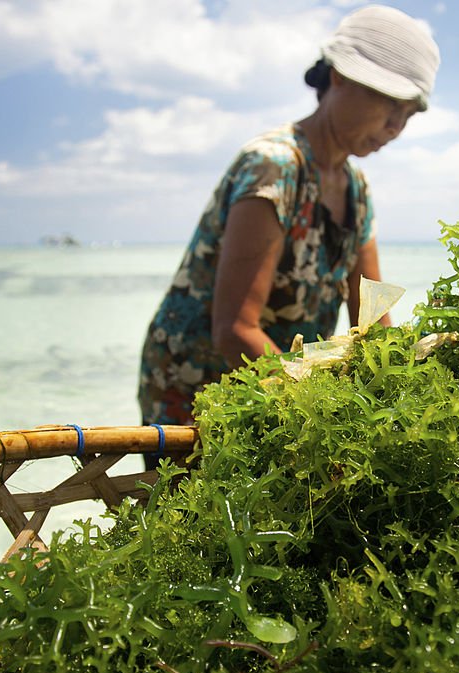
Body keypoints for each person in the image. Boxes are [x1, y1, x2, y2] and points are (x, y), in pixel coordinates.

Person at [138, 5, 440, 466]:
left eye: (408, 115)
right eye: (388, 104)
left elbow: (373, 318)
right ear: (339, 77)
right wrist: (325, 412)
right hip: (198, 383)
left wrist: (401, 390)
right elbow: (236, 330)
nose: (395, 127)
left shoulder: (356, 188)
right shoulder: (276, 166)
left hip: (281, 387)